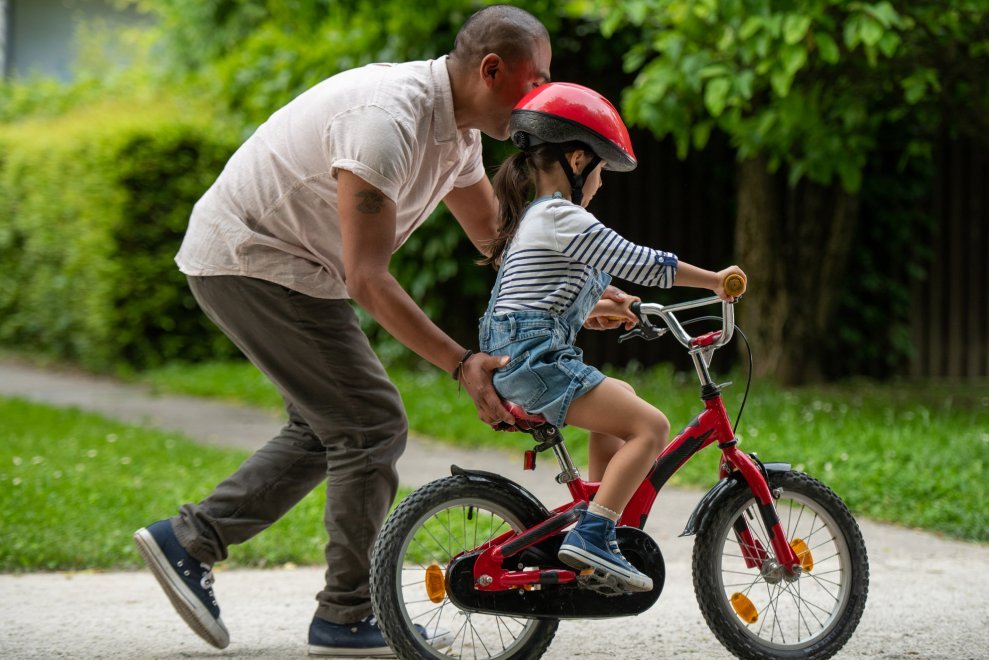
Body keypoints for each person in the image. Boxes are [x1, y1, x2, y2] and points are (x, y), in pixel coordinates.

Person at [130, 5, 584, 657]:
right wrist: (461, 363)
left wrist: (580, 289)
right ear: (491, 70)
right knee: (370, 422)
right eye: (535, 79)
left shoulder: (456, 135)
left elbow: (495, 240)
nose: (542, 96)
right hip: (249, 257)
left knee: (334, 426)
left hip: (290, 268)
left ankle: (191, 541)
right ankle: (345, 614)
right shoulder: (386, 122)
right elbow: (368, 279)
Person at [480, 82, 745, 592]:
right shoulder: (562, 214)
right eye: (599, 171)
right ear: (577, 159)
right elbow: (640, 262)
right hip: (536, 361)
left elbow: (542, 300)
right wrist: (715, 281)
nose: (600, 184)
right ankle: (596, 533)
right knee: (652, 426)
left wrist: (597, 311)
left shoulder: (541, 220)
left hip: (526, 354)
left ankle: (595, 515)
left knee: (619, 399)